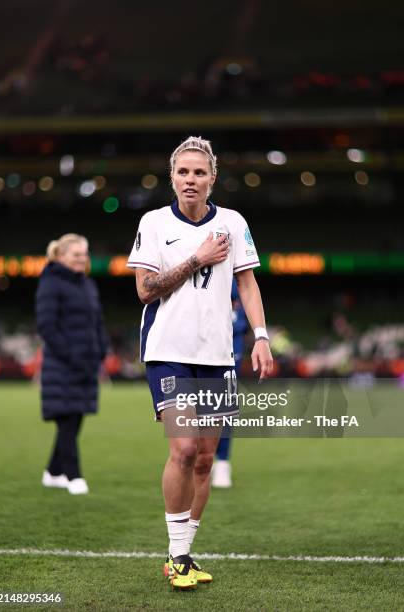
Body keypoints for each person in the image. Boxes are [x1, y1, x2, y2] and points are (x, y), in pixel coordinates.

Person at [127, 136, 273, 589]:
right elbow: (145, 289)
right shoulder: (153, 223)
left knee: (206, 459)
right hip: (168, 352)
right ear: (172, 177)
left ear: (213, 178)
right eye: (183, 172)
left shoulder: (232, 222)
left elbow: (246, 284)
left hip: (218, 358)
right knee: (184, 449)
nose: (190, 180)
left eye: (199, 172)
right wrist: (196, 258)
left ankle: (185, 555)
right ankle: (175, 557)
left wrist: (261, 337)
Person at [36, 233, 108, 495]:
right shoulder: (51, 283)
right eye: (76, 254)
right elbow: (46, 326)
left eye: (84, 254)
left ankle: (53, 472)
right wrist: (71, 356)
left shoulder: (87, 285)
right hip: (62, 364)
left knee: (75, 418)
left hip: (86, 364)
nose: (82, 259)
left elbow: (97, 322)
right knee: (67, 419)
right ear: (60, 256)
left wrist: (101, 349)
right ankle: (74, 476)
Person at [211, 278, 248, 488]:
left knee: (224, 406)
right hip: (197, 344)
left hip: (230, 346)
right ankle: (196, 459)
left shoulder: (235, 273)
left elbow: (241, 314)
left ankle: (223, 462)